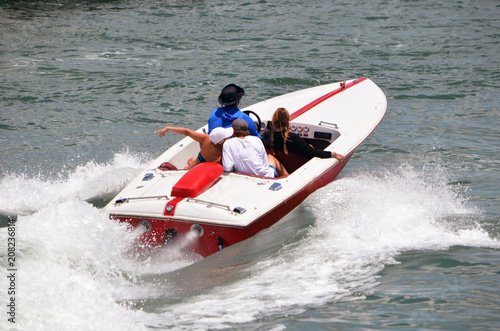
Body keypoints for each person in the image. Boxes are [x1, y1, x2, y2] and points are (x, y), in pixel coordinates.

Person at [262, 107, 345, 161]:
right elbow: (312, 153)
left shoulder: (266, 135)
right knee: (309, 148)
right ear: (288, 120)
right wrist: (333, 154)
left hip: (281, 165)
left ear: (273, 119)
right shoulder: (293, 138)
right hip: (294, 168)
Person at [222, 119, 288, 178]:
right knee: (270, 157)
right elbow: (264, 163)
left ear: (233, 132)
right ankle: (287, 177)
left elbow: (227, 167)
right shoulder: (256, 140)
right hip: (265, 177)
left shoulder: (228, 143)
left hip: (243, 178)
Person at [155, 125, 233, 169]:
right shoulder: (220, 156)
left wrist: (169, 128)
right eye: (228, 137)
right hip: (195, 172)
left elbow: (187, 132)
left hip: (188, 169)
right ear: (222, 142)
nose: (230, 137)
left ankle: (190, 164)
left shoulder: (207, 139)